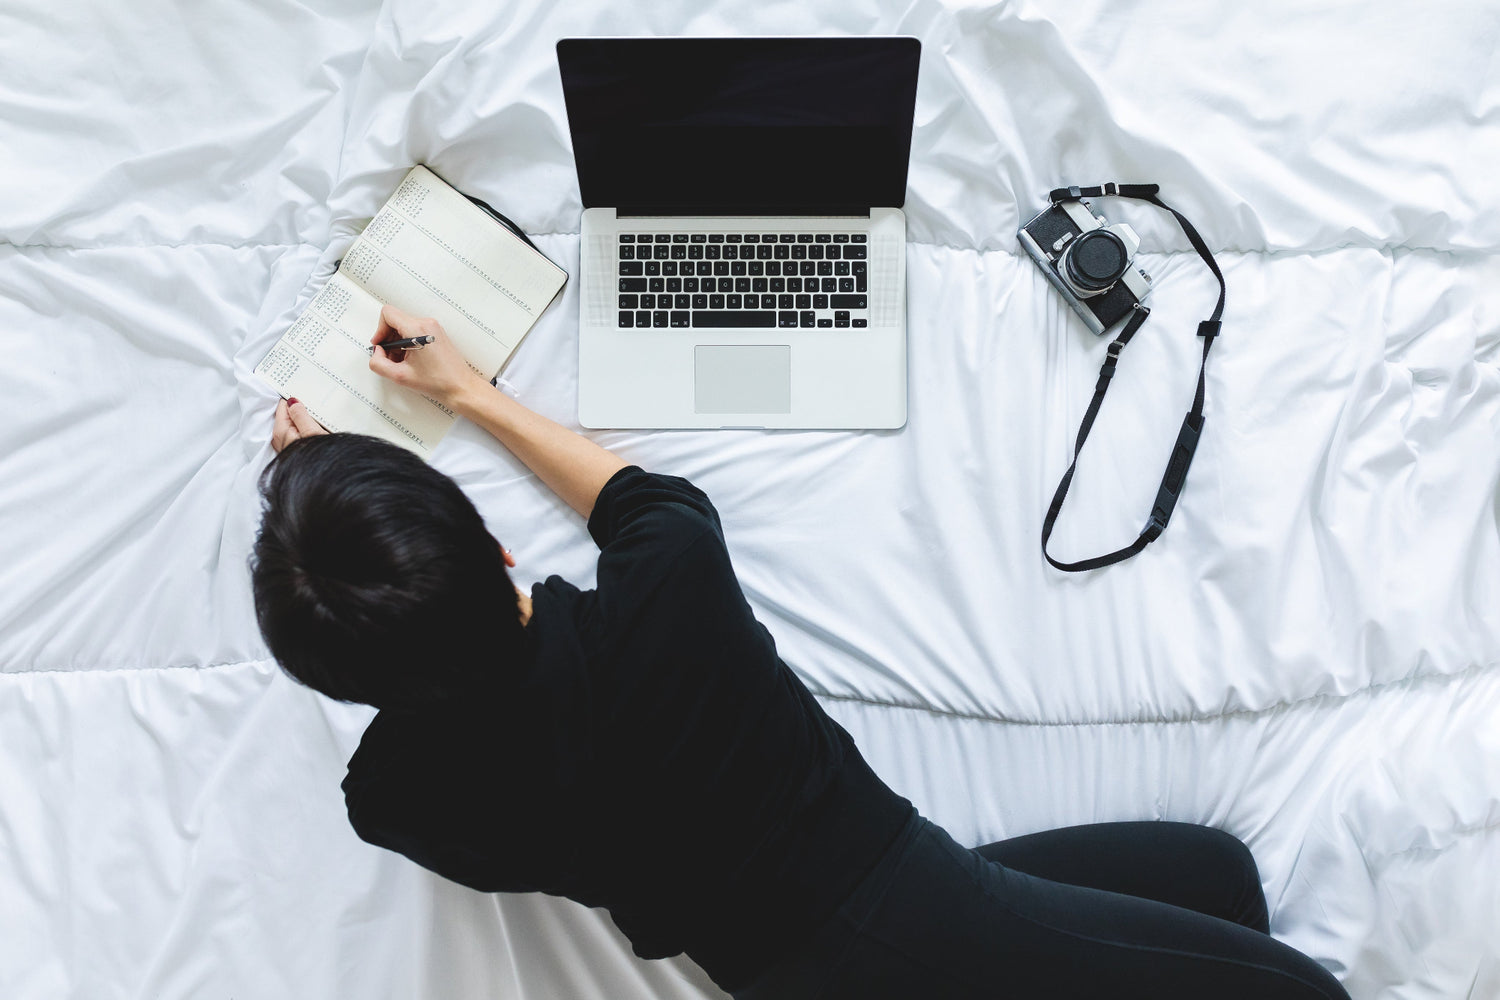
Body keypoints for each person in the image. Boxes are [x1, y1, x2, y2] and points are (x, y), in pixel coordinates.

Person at [251, 305, 1352, 1000]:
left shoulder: (400, 797)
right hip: (909, 915)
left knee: (1218, 880)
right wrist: (461, 395)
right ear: (495, 548)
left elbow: (411, 729)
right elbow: (637, 502)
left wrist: (347, 564)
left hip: (788, 968)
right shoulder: (666, 597)